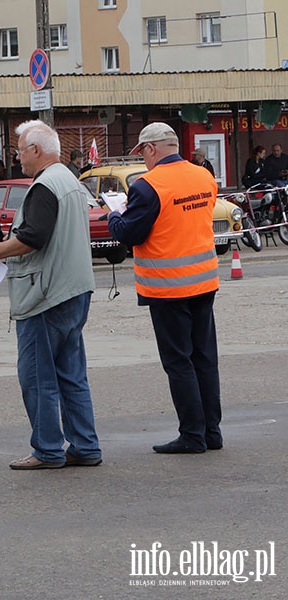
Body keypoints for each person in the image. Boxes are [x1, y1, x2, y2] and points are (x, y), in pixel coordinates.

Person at [0, 120, 101, 470]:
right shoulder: (70, 182)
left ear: (37, 151)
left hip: (46, 295)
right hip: (74, 289)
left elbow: (33, 237)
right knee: (71, 373)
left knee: (38, 377)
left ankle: (47, 449)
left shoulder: (44, 186)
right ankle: (85, 445)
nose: (17, 157)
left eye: (20, 151)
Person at [107, 122, 222, 454]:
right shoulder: (203, 177)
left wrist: (115, 216)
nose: (142, 159)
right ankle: (211, 432)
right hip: (204, 280)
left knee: (178, 361)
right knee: (204, 358)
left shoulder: (148, 186)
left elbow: (130, 233)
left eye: (142, 152)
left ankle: (192, 435)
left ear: (151, 149)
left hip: (168, 286)